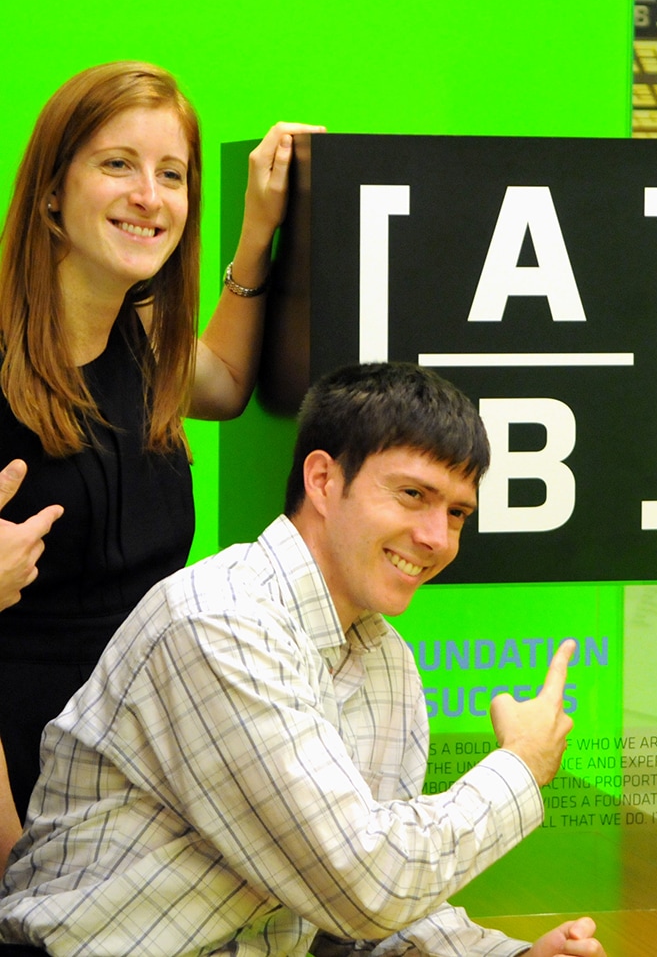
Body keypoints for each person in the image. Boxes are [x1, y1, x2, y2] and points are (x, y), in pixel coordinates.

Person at [0, 361, 607, 957]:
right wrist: (521, 764)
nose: (436, 538)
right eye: (412, 495)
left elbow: (365, 920)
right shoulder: (220, 621)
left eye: (456, 513)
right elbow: (365, 884)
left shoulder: (386, 660)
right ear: (322, 480)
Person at [0, 61, 323, 819]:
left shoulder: (140, 332)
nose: (149, 196)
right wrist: (13, 855)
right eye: (118, 165)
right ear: (52, 190)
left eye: (171, 174)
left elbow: (226, 385)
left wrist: (257, 230)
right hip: (30, 790)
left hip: (140, 772)